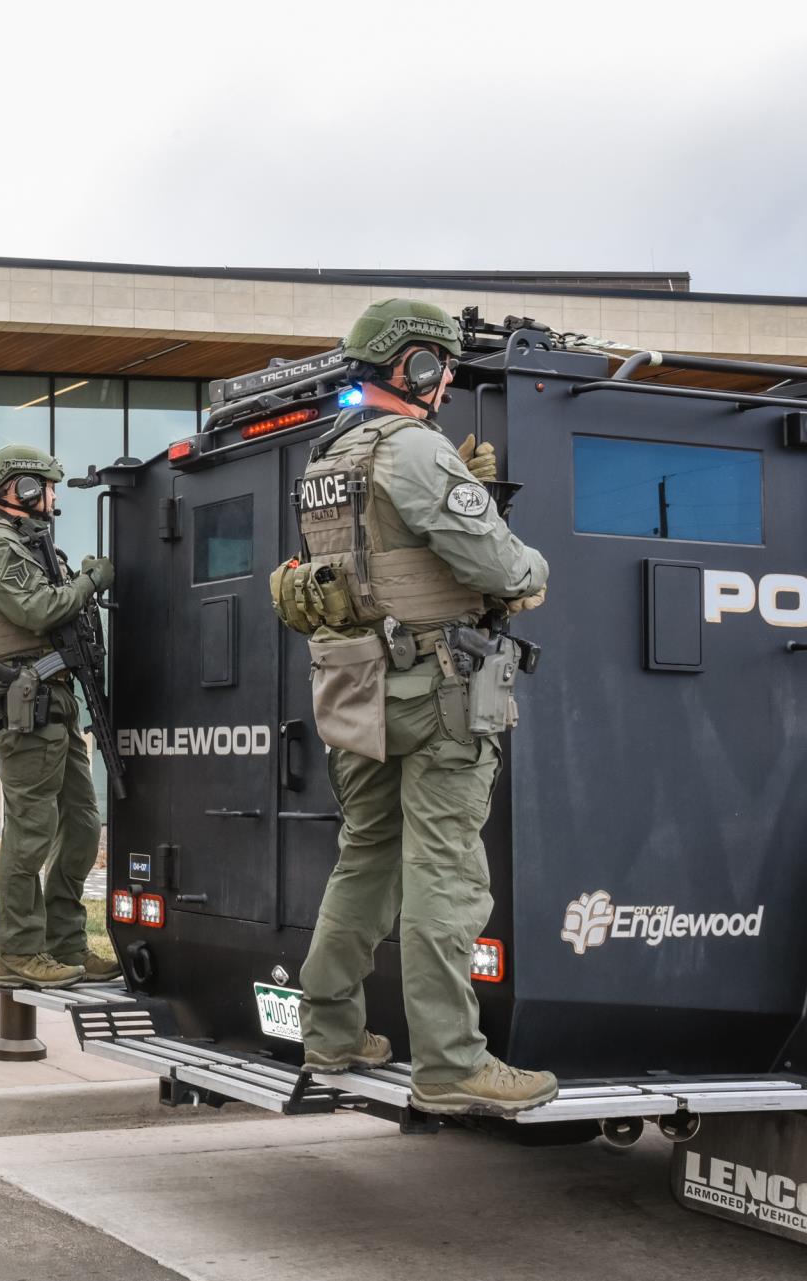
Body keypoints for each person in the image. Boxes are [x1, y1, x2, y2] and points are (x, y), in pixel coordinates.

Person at [273, 298, 555, 1116]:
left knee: (364, 857)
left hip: (352, 687)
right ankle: (451, 1063)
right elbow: (506, 568)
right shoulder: (417, 452)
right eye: (444, 363)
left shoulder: (330, 458)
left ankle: (328, 1031)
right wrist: (517, 548)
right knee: (446, 869)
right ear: (416, 366)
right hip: (435, 689)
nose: (451, 379)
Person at [0, 445, 117, 990]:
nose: (53, 496)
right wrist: (93, 580)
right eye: (47, 486)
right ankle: (18, 952)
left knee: (83, 824)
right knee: (32, 829)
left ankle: (65, 943)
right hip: (25, 697)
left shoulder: (31, 544)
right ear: (19, 489)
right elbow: (39, 610)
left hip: (51, 695)